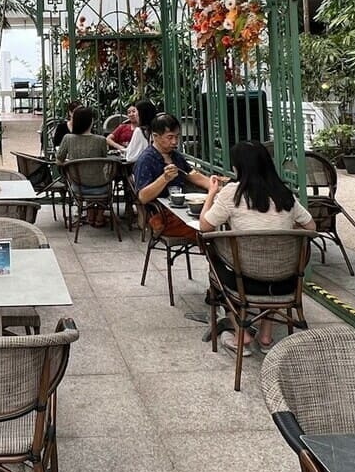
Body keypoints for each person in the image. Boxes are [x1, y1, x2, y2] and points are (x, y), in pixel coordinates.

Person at [198, 141, 316, 353]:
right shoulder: (285, 194)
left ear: (238, 168)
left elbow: (205, 226)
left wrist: (211, 193)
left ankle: (240, 335)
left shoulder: (232, 193)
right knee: (270, 263)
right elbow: (311, 227)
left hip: (245, 283)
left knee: (214, 259)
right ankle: (266, 335)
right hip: (285, 282)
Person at [134, 112, 218, 240]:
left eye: (177, 137)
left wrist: (214, 185)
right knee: (208, 230)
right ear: (155, 136)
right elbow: (142, 197)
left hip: (183, 210)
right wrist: (164, 178)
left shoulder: (175, 156)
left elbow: (191, 175)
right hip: (161, 216)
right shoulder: (146, 160)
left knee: (216, 220)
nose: (175, 142)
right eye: (170, 137)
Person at [57, 106, 114, 226]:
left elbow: (59, 160)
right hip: (101, 186)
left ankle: (90, 215)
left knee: (85, 176)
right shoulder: (101, 140)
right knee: (98, 176)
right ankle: (98, 217)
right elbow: (104, 159)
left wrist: (70, 164)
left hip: (78, 186)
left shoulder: (68, 138)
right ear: (91, 121)